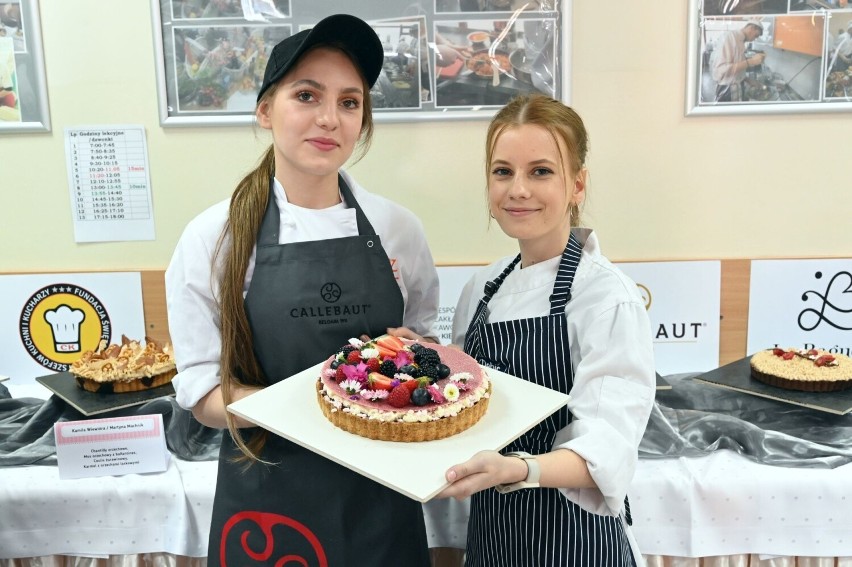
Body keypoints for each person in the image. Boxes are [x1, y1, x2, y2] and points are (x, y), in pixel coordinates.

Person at [165, 14, 439, 566]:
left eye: (349, 102)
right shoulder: (212, 238)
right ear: (265, 110)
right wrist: (322, 404)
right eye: (307, 95)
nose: (329, 119)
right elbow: (202, 395)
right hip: (269, 499)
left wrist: (419, 360)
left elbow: (425, 345)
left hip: (382, 490)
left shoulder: (398, 229)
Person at [403, 94, 656, 565]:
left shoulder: (606, 296)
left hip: (575, 540)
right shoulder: (482, 287)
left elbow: (607, 447)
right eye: (503, 172)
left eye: (540, 171)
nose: (518, 189)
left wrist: (518, 468)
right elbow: (465, 396)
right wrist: (417, 358)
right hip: (494, 535)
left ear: (577, 185)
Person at [710, 22, 766, 102]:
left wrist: (748, 80)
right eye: (756, 35)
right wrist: (751, 61)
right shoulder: (730, 37)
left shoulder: (741, 42)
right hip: (727, 90)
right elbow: (720, 70)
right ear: (752, 28)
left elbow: (736, 69)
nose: (755, 39)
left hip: (738, 86)